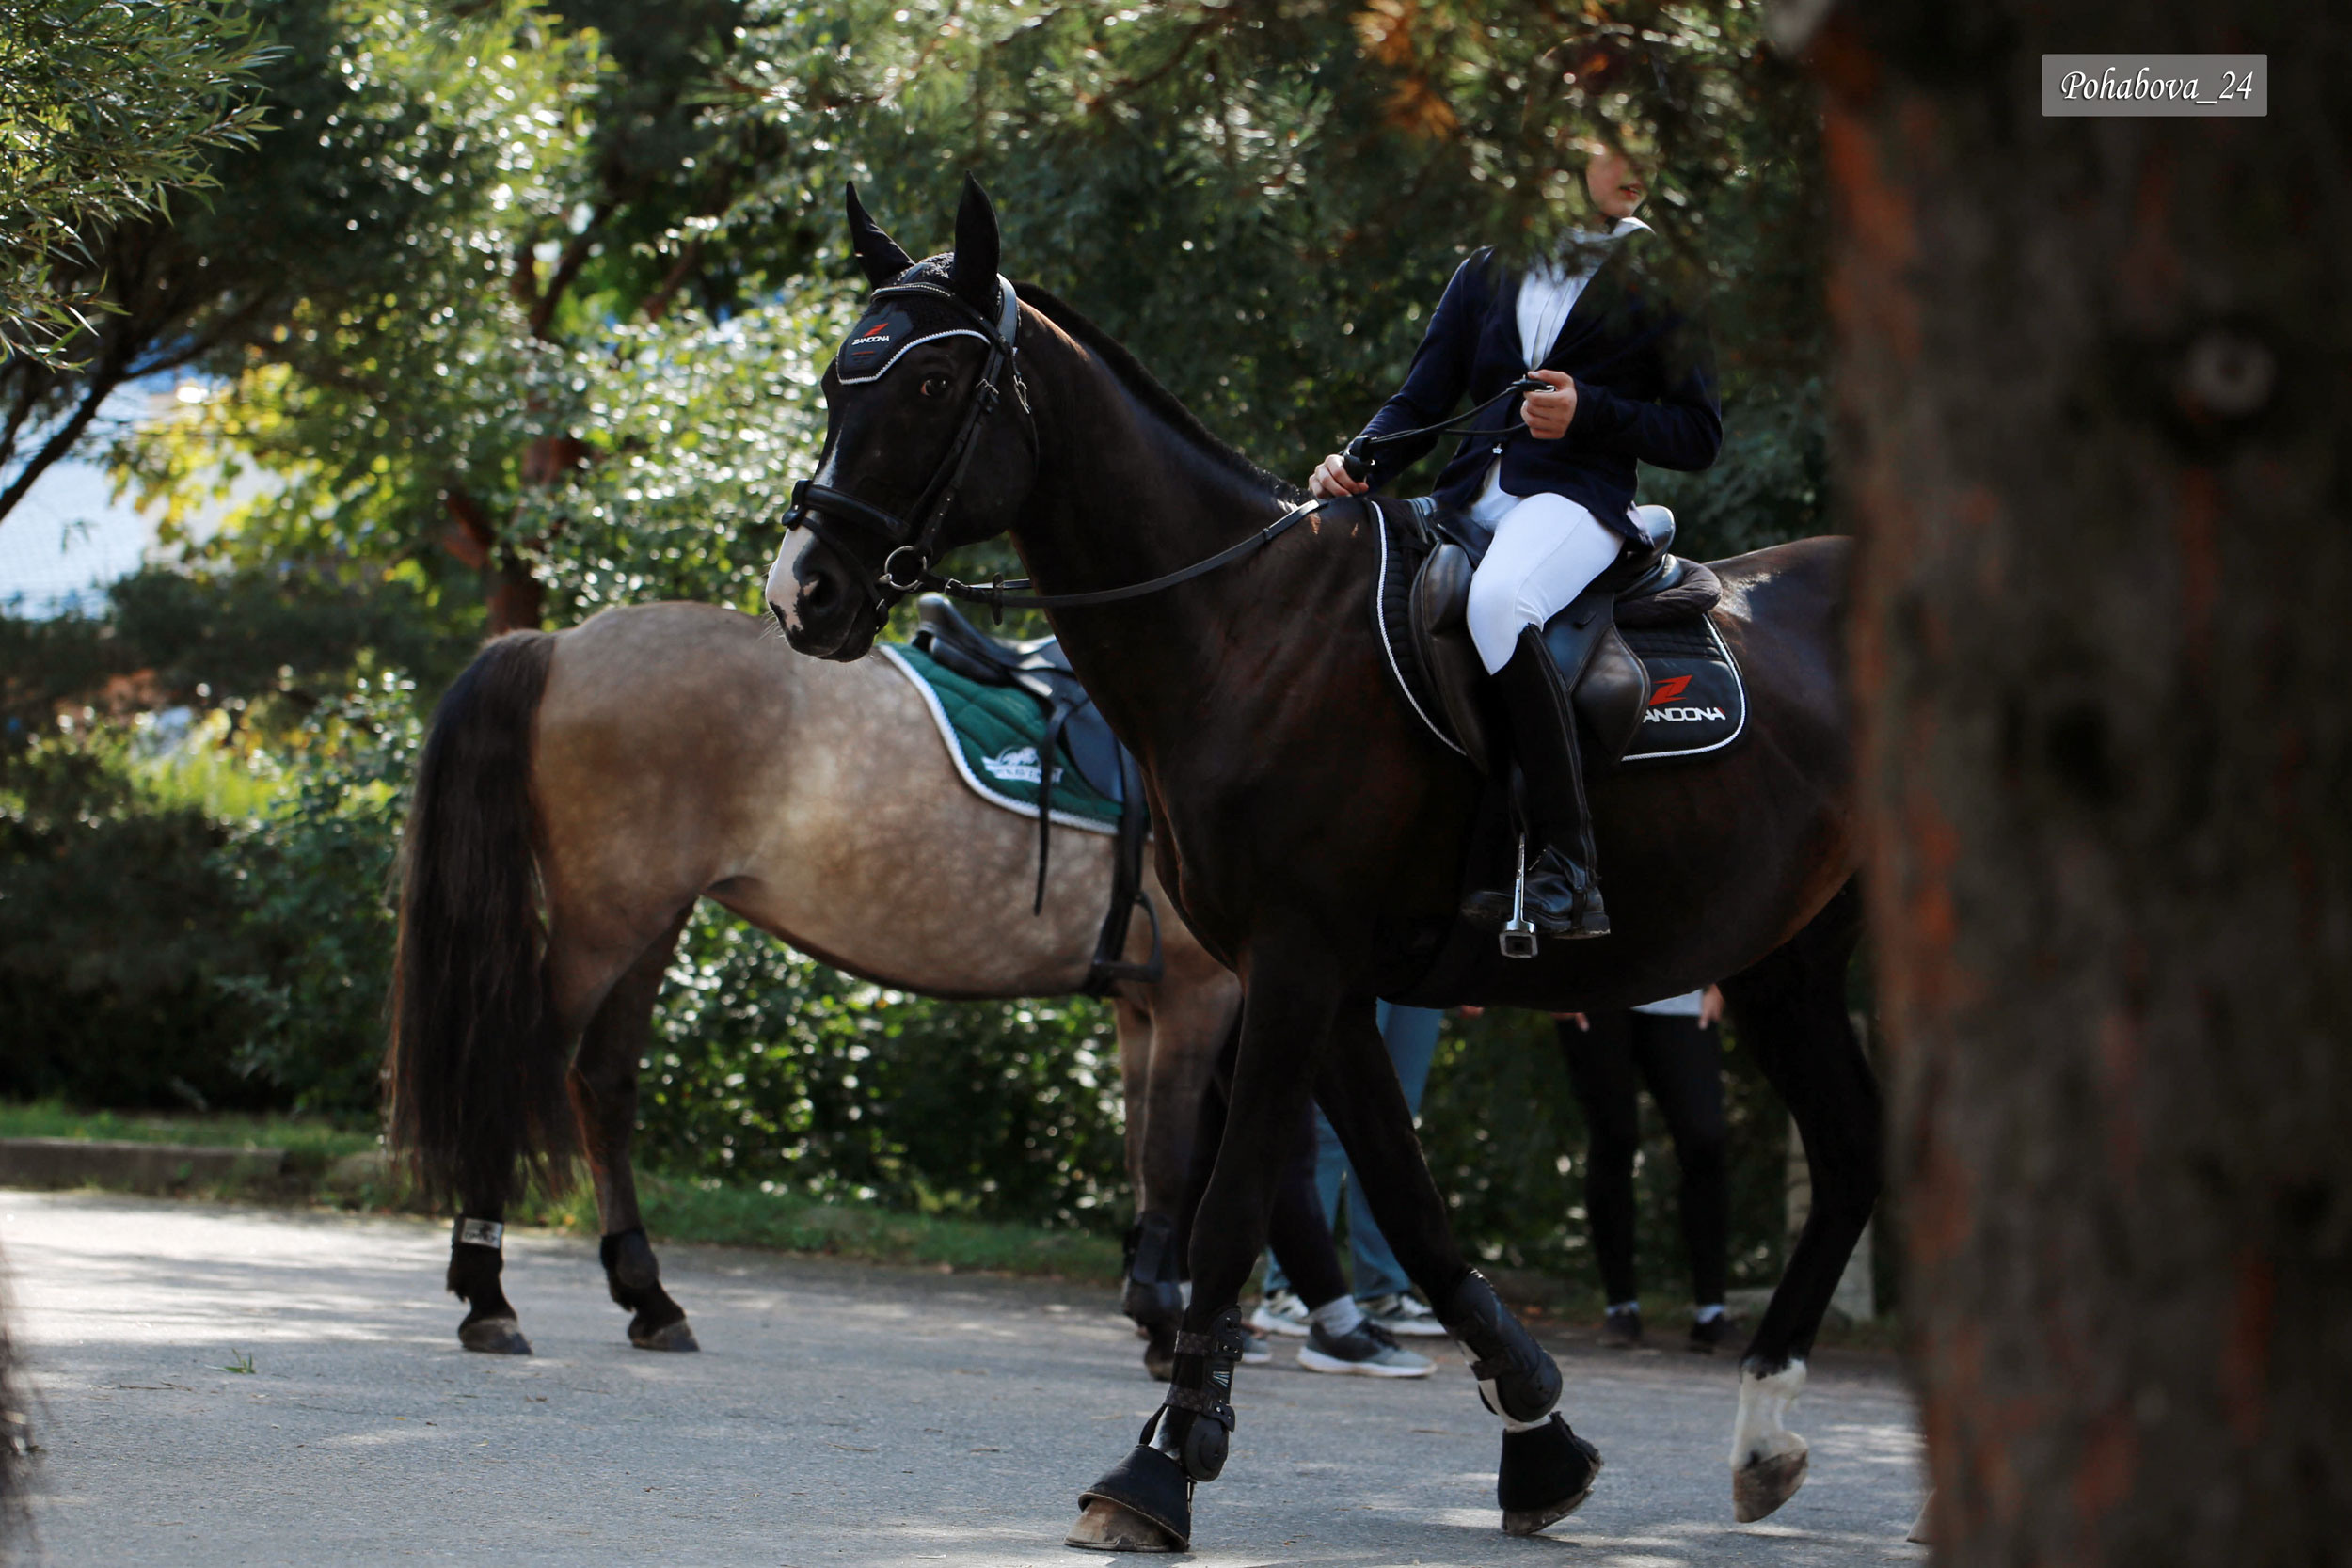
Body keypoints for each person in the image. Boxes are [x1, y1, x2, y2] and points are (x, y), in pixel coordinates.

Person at [1307, 143, 1721, 938]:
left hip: (1579, 503)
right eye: (1620, 140)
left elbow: (1698, 434)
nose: (1644, 160)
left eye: (1654, 143)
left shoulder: (1664, 276)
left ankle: (1569, 864)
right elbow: (1422, 398)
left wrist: (1590, 411)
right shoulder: (1487, 268)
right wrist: (1356, 460)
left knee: (1500, 603)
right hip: (1468, 494)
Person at [1251, 1003, 1451, 1354]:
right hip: (1359, 956)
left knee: (1395, 1127)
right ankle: (1287, 1289)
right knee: (1327, 1118)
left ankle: (1383, 1290)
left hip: (1420, 962)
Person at [1558, 986, 1733, 1351]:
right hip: (1594, 989)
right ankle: (1621, 1307)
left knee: (1705, 1138)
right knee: (1614, 1138)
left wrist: (1720, 982)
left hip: (1682, 988)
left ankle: (1712, 1311)